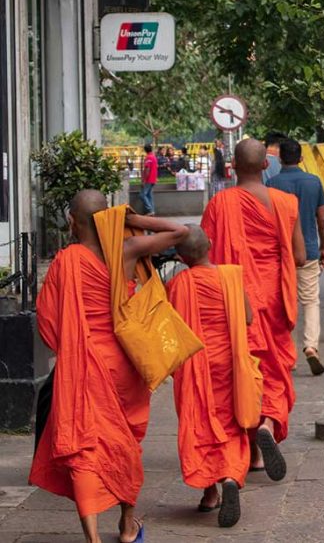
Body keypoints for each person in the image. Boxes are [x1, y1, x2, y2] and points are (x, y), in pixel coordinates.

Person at [30, 190, 188, 543]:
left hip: (82, 365)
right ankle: (128, 525)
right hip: (124, 364)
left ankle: (92, 537)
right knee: (127, 443)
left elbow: (49, 324)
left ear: (71, 221)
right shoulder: (126, 250)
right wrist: (131, 219)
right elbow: (180, 232)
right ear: (108, 217)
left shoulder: (65, 261)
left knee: (83, 447)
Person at [201, 139, 304, 481]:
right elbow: (300, 257)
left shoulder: (219, 203)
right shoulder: (286, 203)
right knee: (274, 367)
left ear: (232, 165)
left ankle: (254, 452)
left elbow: (205, 257)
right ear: (265, 166)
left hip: (236, 297)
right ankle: (270, 423)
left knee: (244, 370)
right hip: (274, 296)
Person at [167, 225, 258, 529]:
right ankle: (231, 475)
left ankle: (210, 494)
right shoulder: (230, 276)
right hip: (228, 362)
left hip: (195, 366)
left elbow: (172, 326)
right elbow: (247, 317)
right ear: (212, 243)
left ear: (180, 258)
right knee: (231, 422)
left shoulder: (179, 283)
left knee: (201, 423)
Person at [267, 138, 324, 376]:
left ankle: (287, 355)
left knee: (284, 302)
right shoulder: (313, 182)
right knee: (310, 300)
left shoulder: (271, 185)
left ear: (280, 158)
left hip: (280, 254)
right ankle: (311, 346)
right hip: (310, 251)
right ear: (301, 158)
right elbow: (323, 220)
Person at [140, 144, 157, 215]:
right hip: (153, 179)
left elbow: (147, 169)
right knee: (149, 195)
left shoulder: (148, 158)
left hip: (149, 179)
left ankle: (150, 209)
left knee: (142, 195)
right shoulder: (153, 157)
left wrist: (144, 180)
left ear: (145, 150)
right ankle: (152, 210)